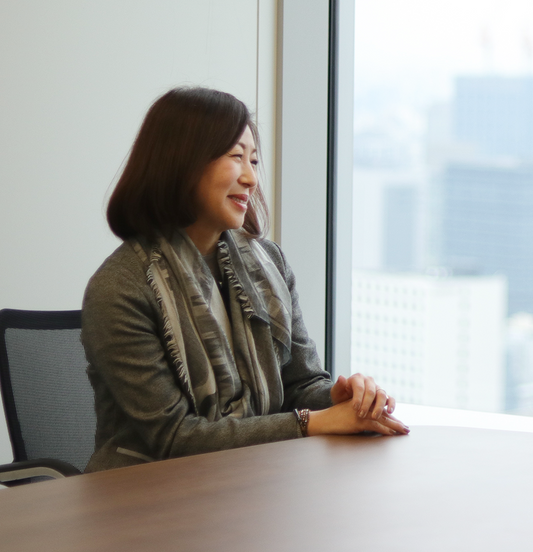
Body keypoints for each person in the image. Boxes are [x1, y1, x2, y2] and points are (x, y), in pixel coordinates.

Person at [82, 86, 408, 472]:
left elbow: (300, 385)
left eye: (253, 161)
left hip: (250, 483)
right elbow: (174, 438)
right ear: (182, 161)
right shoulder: (121, 287)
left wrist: (338, 398)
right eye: (236, 157)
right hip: (138, 499)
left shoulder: (268, 263)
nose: (251, 179)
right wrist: (312, 422)